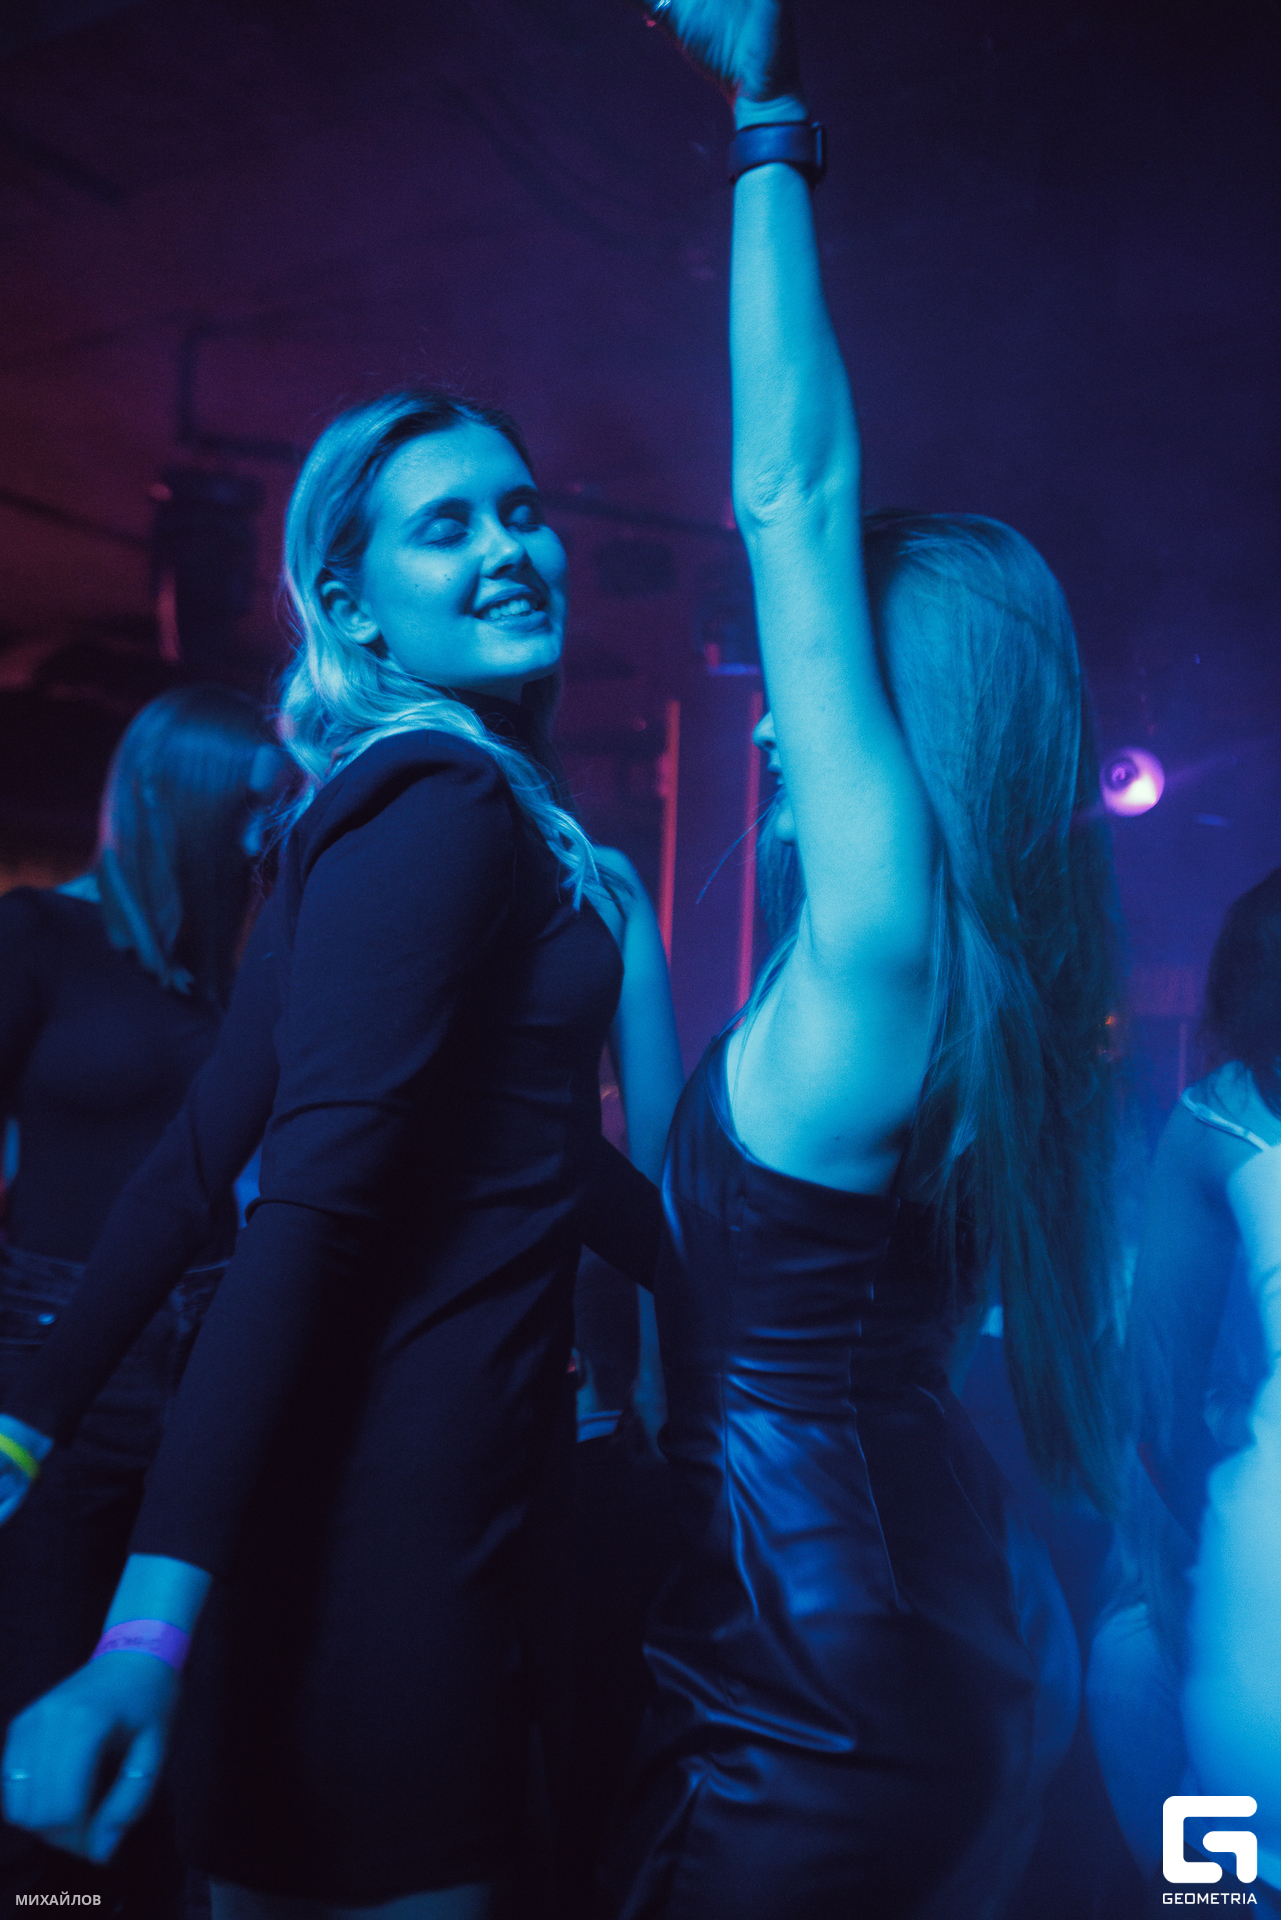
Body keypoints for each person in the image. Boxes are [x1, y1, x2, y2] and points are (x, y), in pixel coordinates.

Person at [0, 387, 680, 1920]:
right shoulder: (439, 802)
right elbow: (287, 1206)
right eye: (445, 527)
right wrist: (141, 1638)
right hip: (398, 1514)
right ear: (352, 607)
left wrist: (30, 1417)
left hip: (386, 1493)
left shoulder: (392, 807)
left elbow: (246, 1150)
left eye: (521, 510)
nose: (508, 550)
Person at [598, 5, 1122, 1915]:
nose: (765, 714)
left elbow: (789, 499)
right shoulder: (965, 987)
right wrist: (625, 964)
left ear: (905, 727)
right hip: (928, 1625)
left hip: (826, 1682)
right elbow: (734, 1265)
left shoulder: (892, 941)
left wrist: (769, 116)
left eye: (814, 684)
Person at [0, 682, 281, 1912]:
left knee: (194, 1709)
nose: (270, 834)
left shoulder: (234, 970)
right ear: (185, 802)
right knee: (42, 1698)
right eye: (254, 808)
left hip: (213, 1352)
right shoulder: (36, 937)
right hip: (55, 1356)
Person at [1088, 869, 1281, 1896]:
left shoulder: (1217, 1119)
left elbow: (1157, 1411)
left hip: (1253, 1619)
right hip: (1239, 1611)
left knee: (1218, 1889)